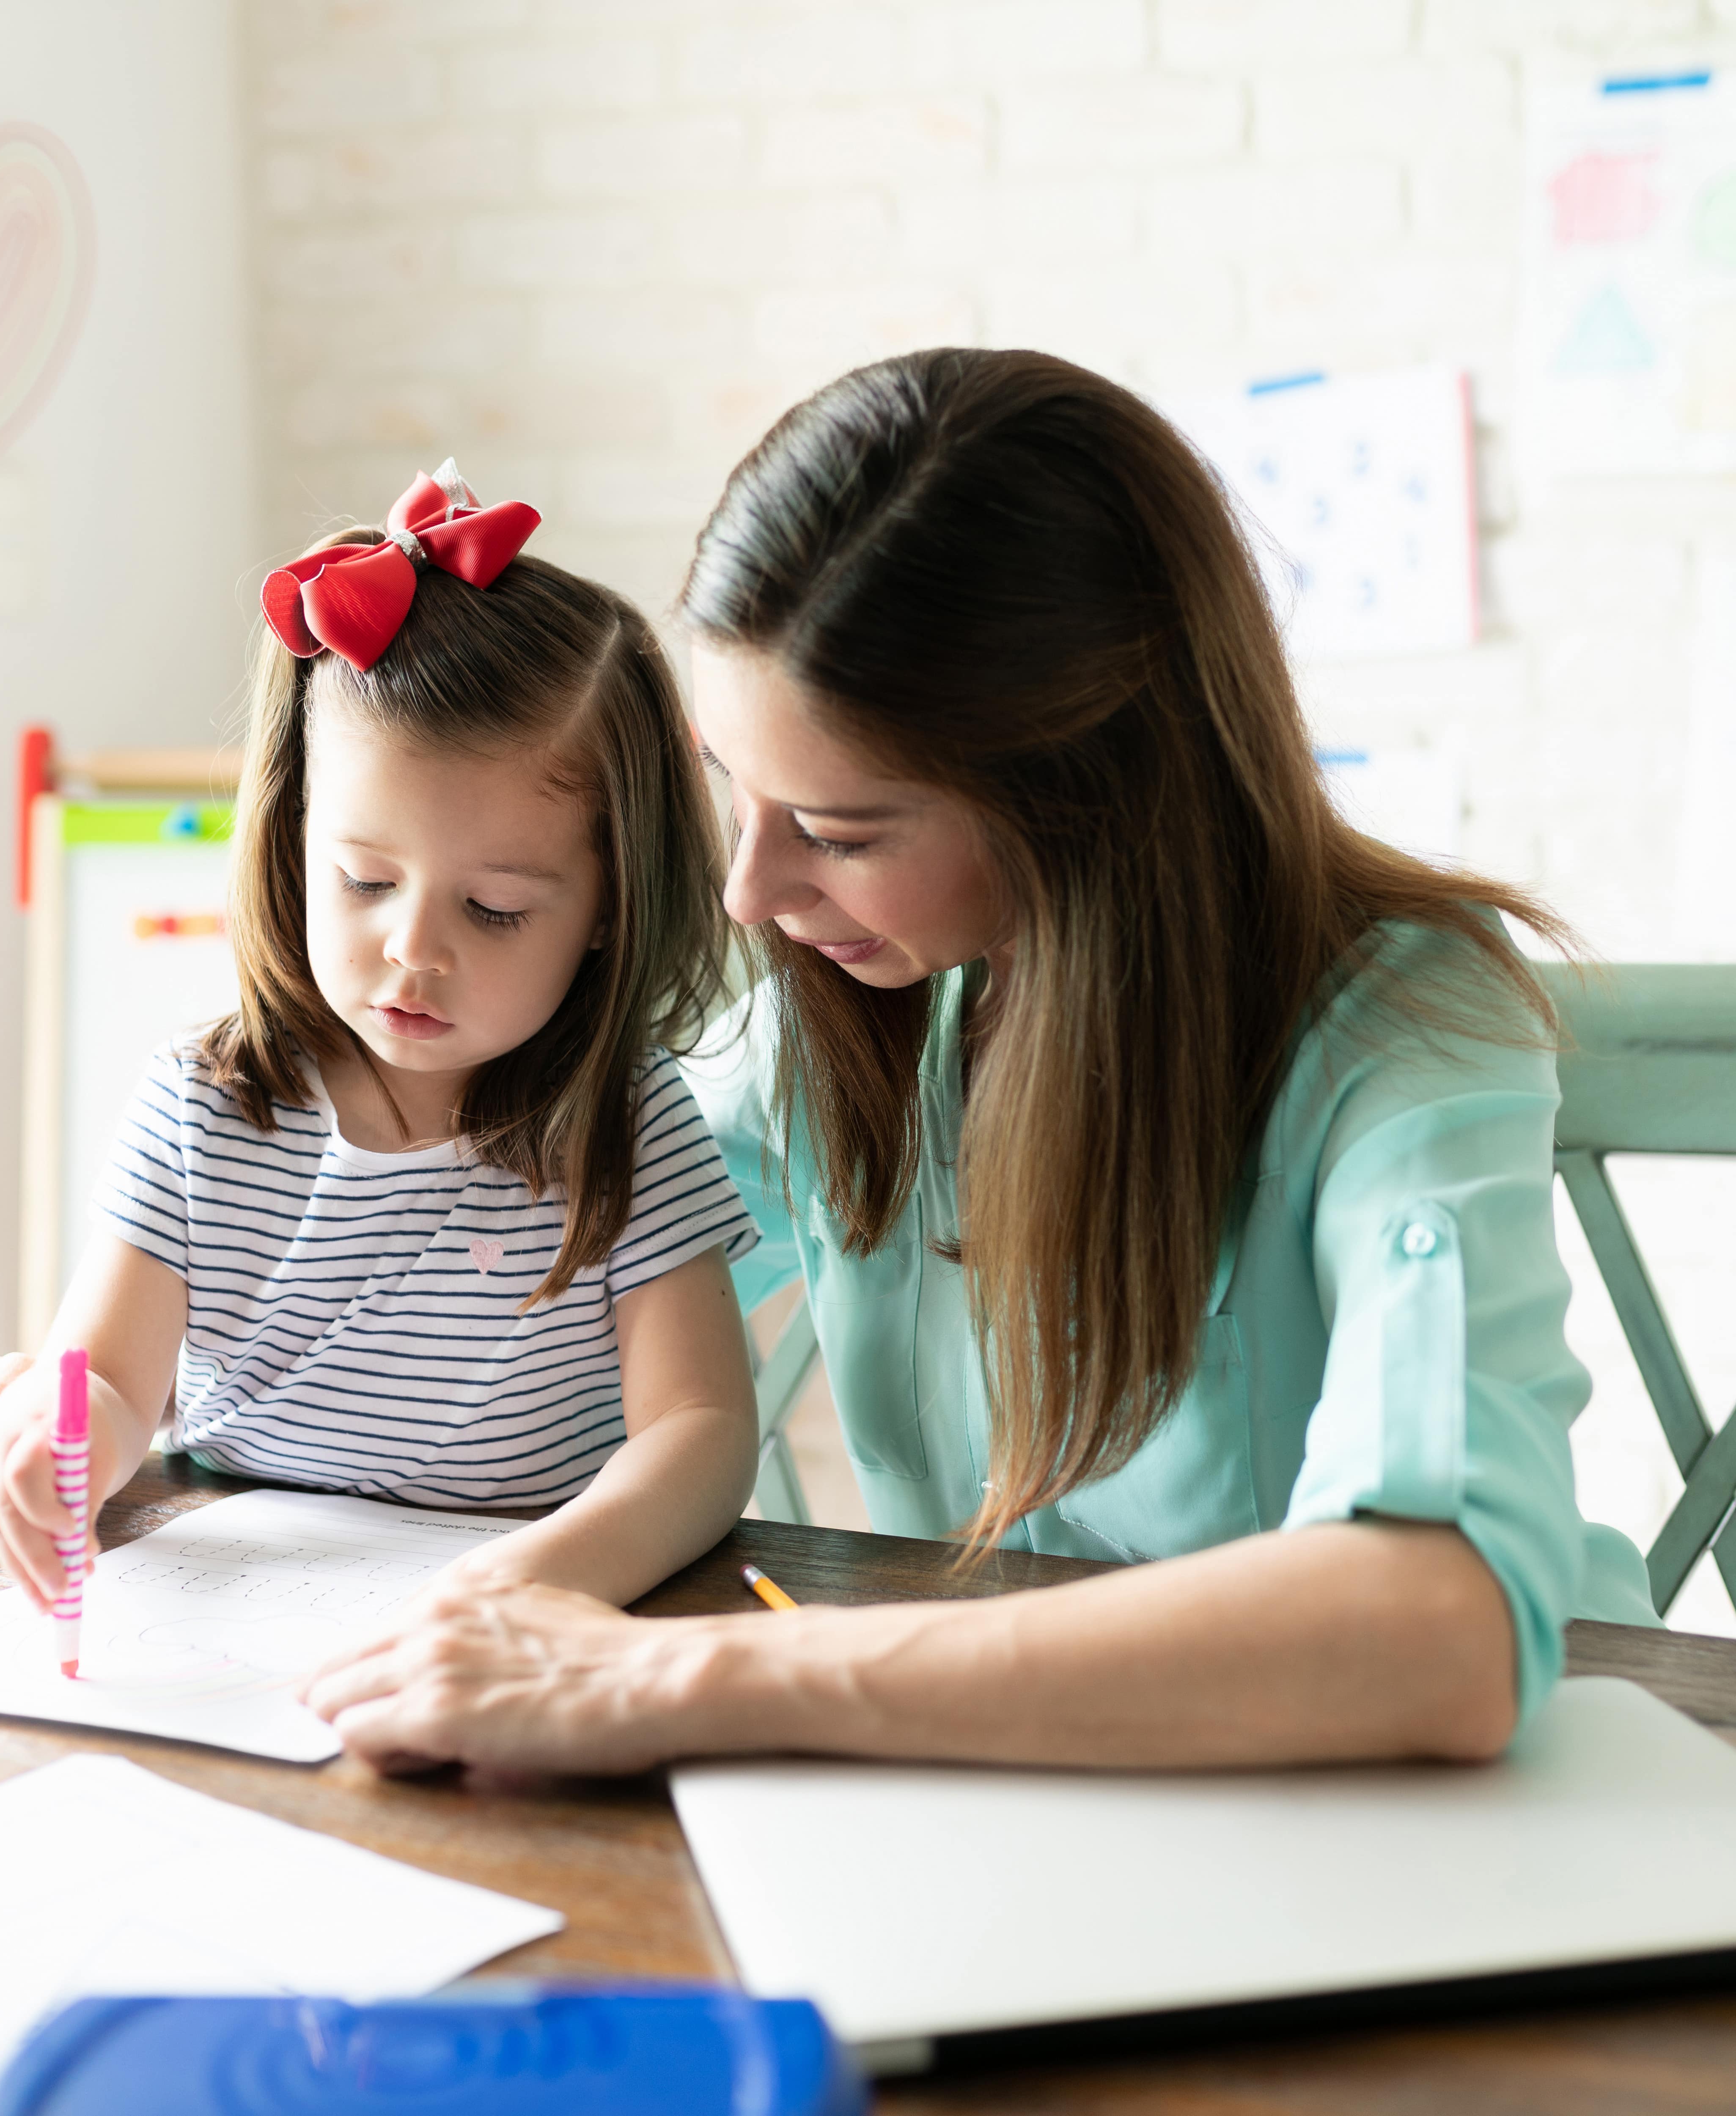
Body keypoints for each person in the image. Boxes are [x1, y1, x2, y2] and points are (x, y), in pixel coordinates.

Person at [293, 351, 1661, 1776]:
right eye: (730, 785)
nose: (750, 891)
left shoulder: (1405, 1028)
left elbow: (1443, 1627)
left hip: (1448, 1816)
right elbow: (499, 1291)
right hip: (1014, 1799)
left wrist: (685, 1676)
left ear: (1084, 791)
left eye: (841, 832)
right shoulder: (838, 1023)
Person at [0, 464, 765, 1617]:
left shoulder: (629, 1121)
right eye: (364, 880)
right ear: (295, 841)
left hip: (517, 1620)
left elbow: (702, 1427)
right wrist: (49, 1451)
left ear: (611, 904)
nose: (413, 948)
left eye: (496, 907)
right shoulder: (199, 1105)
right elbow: (105, 1381)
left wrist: (538, 1574)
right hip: (237, 1612)